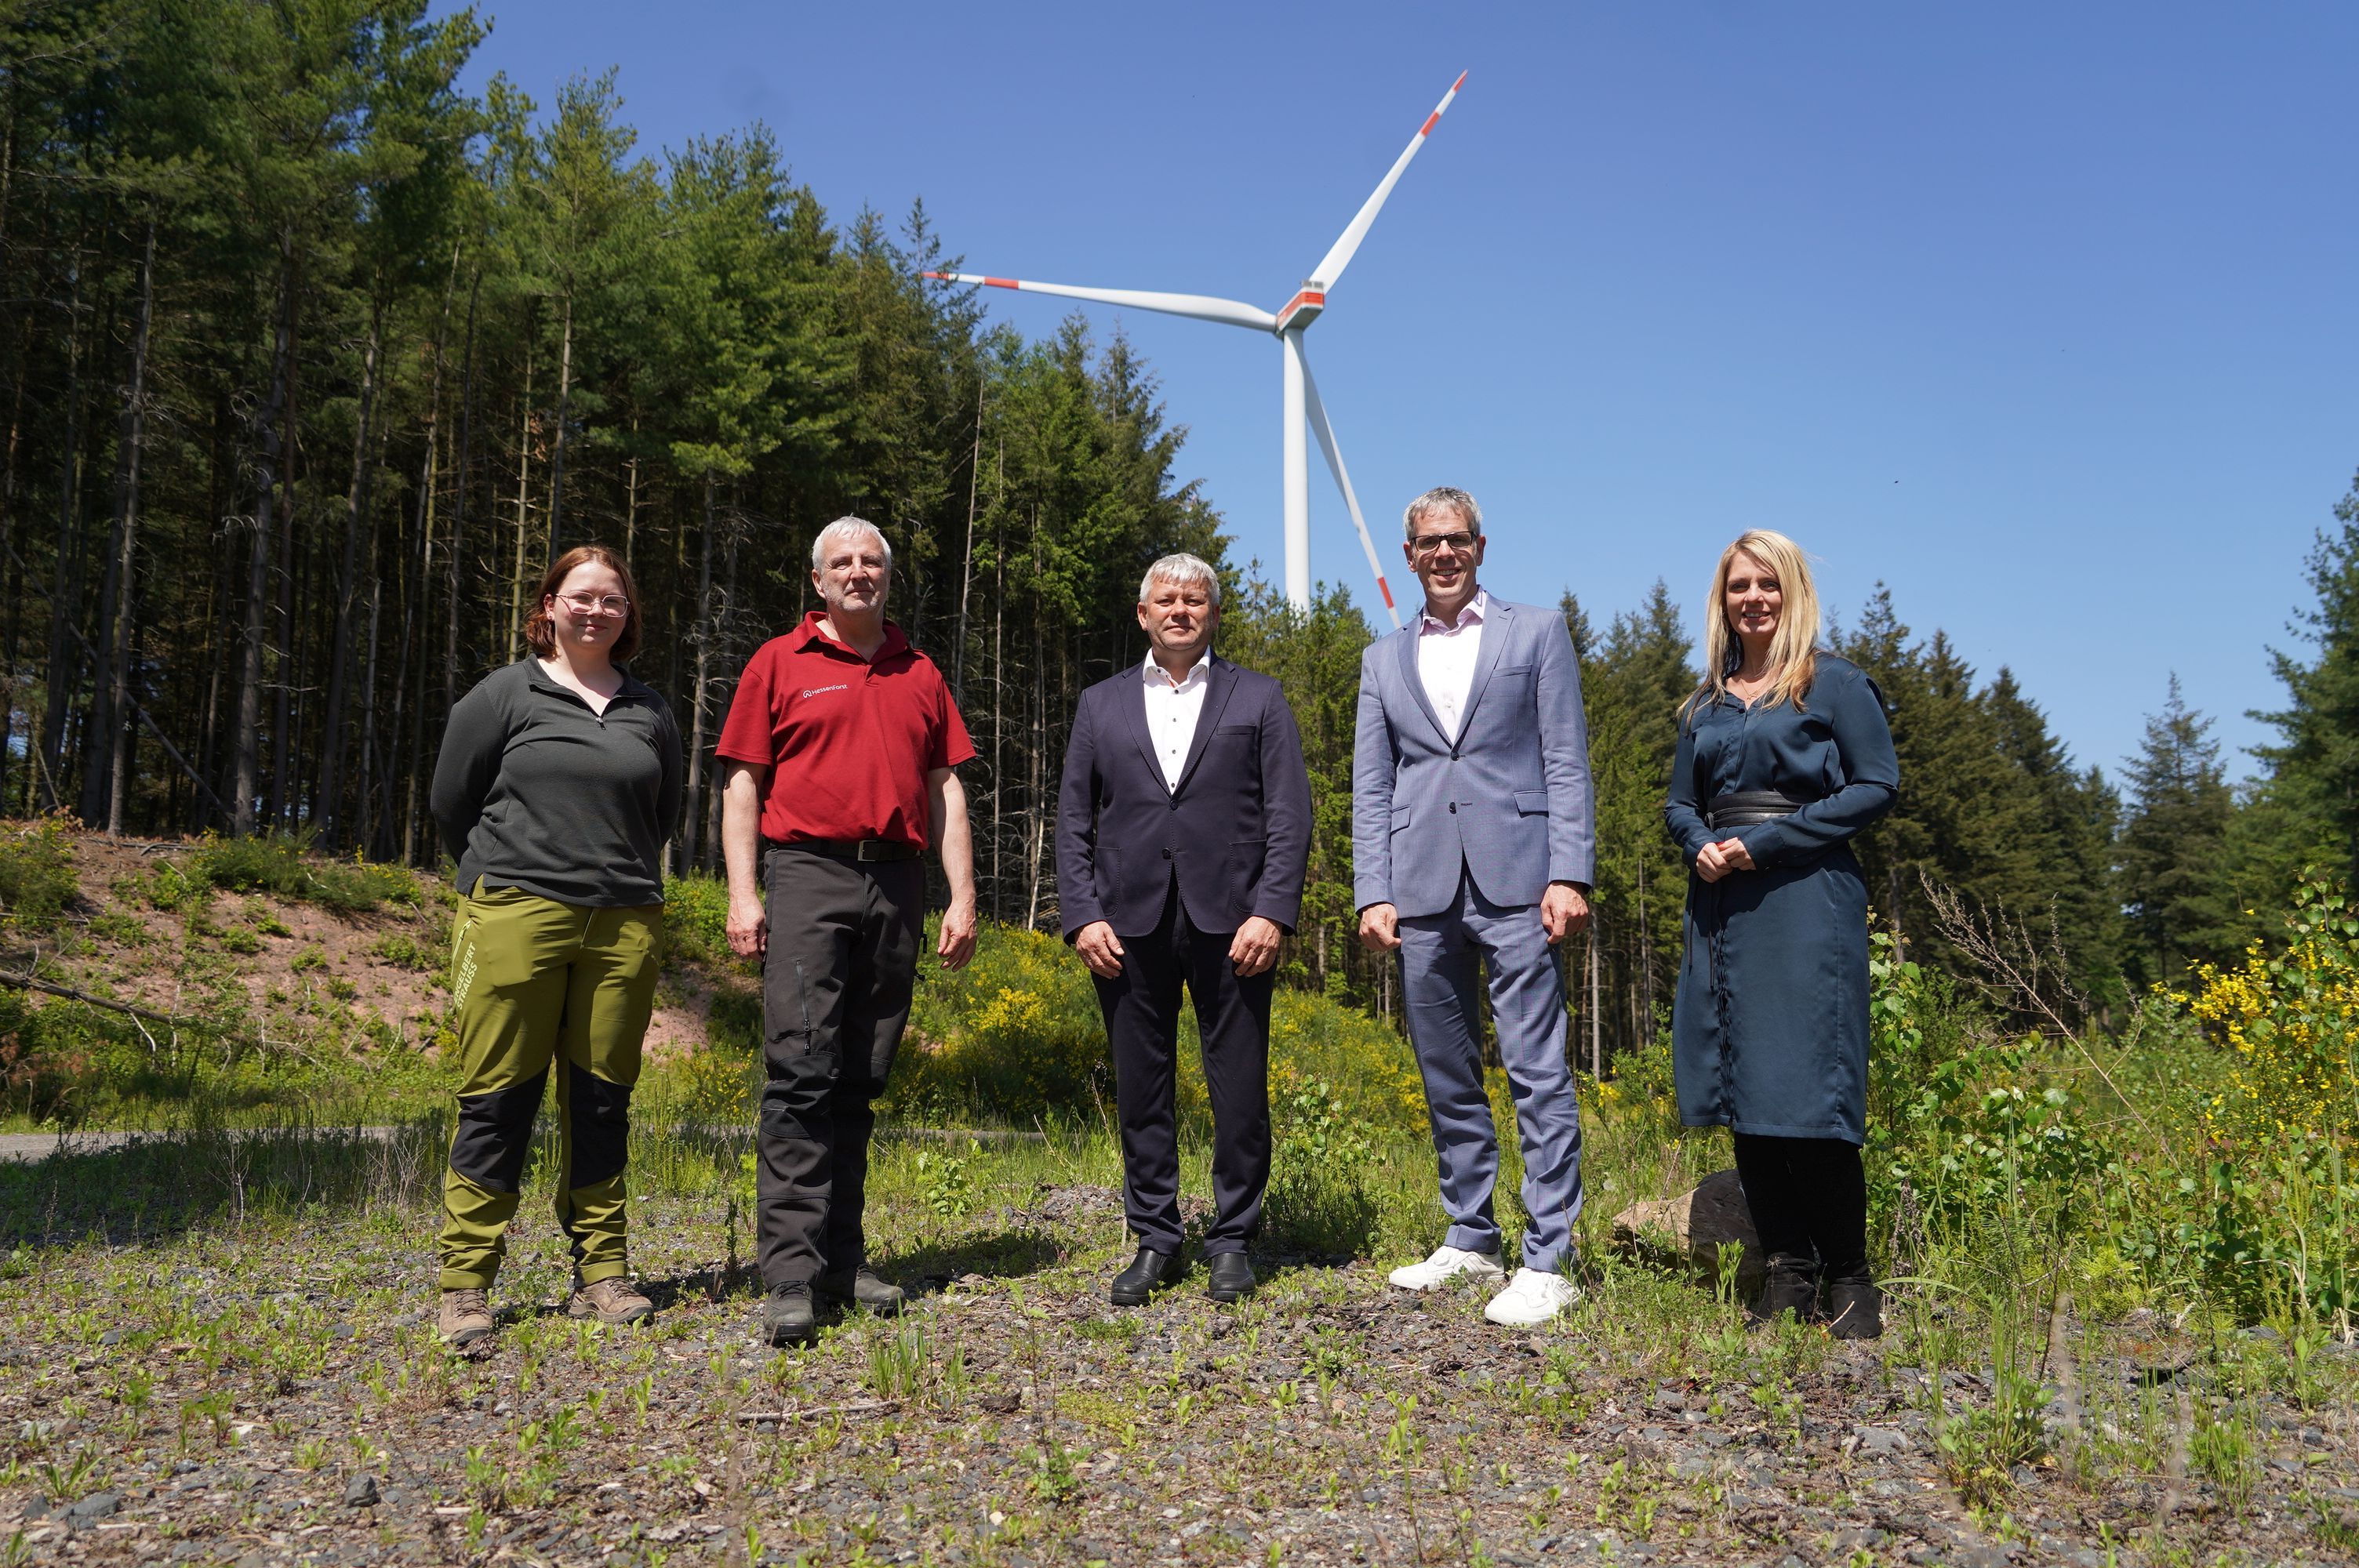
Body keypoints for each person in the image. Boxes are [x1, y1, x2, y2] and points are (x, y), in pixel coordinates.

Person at [717, 517, 979, 1348]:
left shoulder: (920, 672)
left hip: (895, 880)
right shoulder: (777, 662)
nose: (858, 573)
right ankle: (789, 1271)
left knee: (861, 1075)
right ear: (817, 578)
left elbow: (947, 793)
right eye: (842, 563)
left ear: (886, 577)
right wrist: (742, 893)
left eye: (871, 561)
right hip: (806, 873)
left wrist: (962, 895)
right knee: (801, 1069)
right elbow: (740, 786)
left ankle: (840, 1255)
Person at [1353, 487, 1596, 1329]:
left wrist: (1570, 872)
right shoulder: (1380, 659)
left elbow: (1564, 758)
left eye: (1458, 540)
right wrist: (1371, 887)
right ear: (1409, 554)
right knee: (1445, 1071)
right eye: (1428, 543)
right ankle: (1470, 1235)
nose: (1444, 554)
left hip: (1520, 880)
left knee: (1536, 1069)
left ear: (1481, 546)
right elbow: (1371, 782)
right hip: (1419, 887)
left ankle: (1549, 1256)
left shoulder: (1535, 631)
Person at [428, 545, 683, 1348]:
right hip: (513, 915)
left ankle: (601, 1273)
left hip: (623, 924)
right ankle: (465, 1283)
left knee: (602, 1096)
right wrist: (503, 878)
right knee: (499, 1097)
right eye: (581, 596)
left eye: (611, 598)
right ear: (548, 604)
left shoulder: (649, 709)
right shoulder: (505, 693)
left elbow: (663, 810)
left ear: (627, 614)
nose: (595, 610)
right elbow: (450, 801)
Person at [1056, 554, 1313, 1306]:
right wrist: (1082, 914)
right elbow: (1074, 819)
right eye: (1165, 600)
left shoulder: (1259, 699)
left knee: (1238, 1086)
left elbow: (1288, 815)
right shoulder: (1100, 705)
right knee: (1142, 1085)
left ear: (1213, 613)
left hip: (1234, 923)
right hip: (1124, 922)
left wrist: (1273, 910)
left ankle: (1233, 1237)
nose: (1179, 610)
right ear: (1142, 615)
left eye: (1194, 600)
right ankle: (1155, 1237)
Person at [1663, 529, 1899, 1338]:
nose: (1752, 597)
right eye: (1738, 585)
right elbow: (1676, 801)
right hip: (1721, 904)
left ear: (1791, 590)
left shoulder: (1833, 685)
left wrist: (1761, 843)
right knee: (1746, 1092)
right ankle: (1787, 1272)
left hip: (1804, 901)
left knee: (1812, 1094)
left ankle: (1851, 1281)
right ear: (1721, 599)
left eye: (1767, 583)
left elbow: (1876, 784)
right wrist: (1696, 839)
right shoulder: (1705, 701)